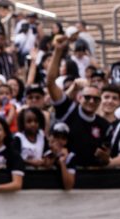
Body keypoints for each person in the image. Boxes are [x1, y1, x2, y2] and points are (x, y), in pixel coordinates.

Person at [46, 34, 110, 168]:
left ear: (100, 102)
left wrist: (105, 158)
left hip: (90, 181)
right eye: (87, 97)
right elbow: (51, 82)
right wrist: (58, 51)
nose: (91, 101)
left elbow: (106, 158)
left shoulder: (104, 125)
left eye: (96, 99)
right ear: (80, 97)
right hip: (64, 176)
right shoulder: (67, 109)